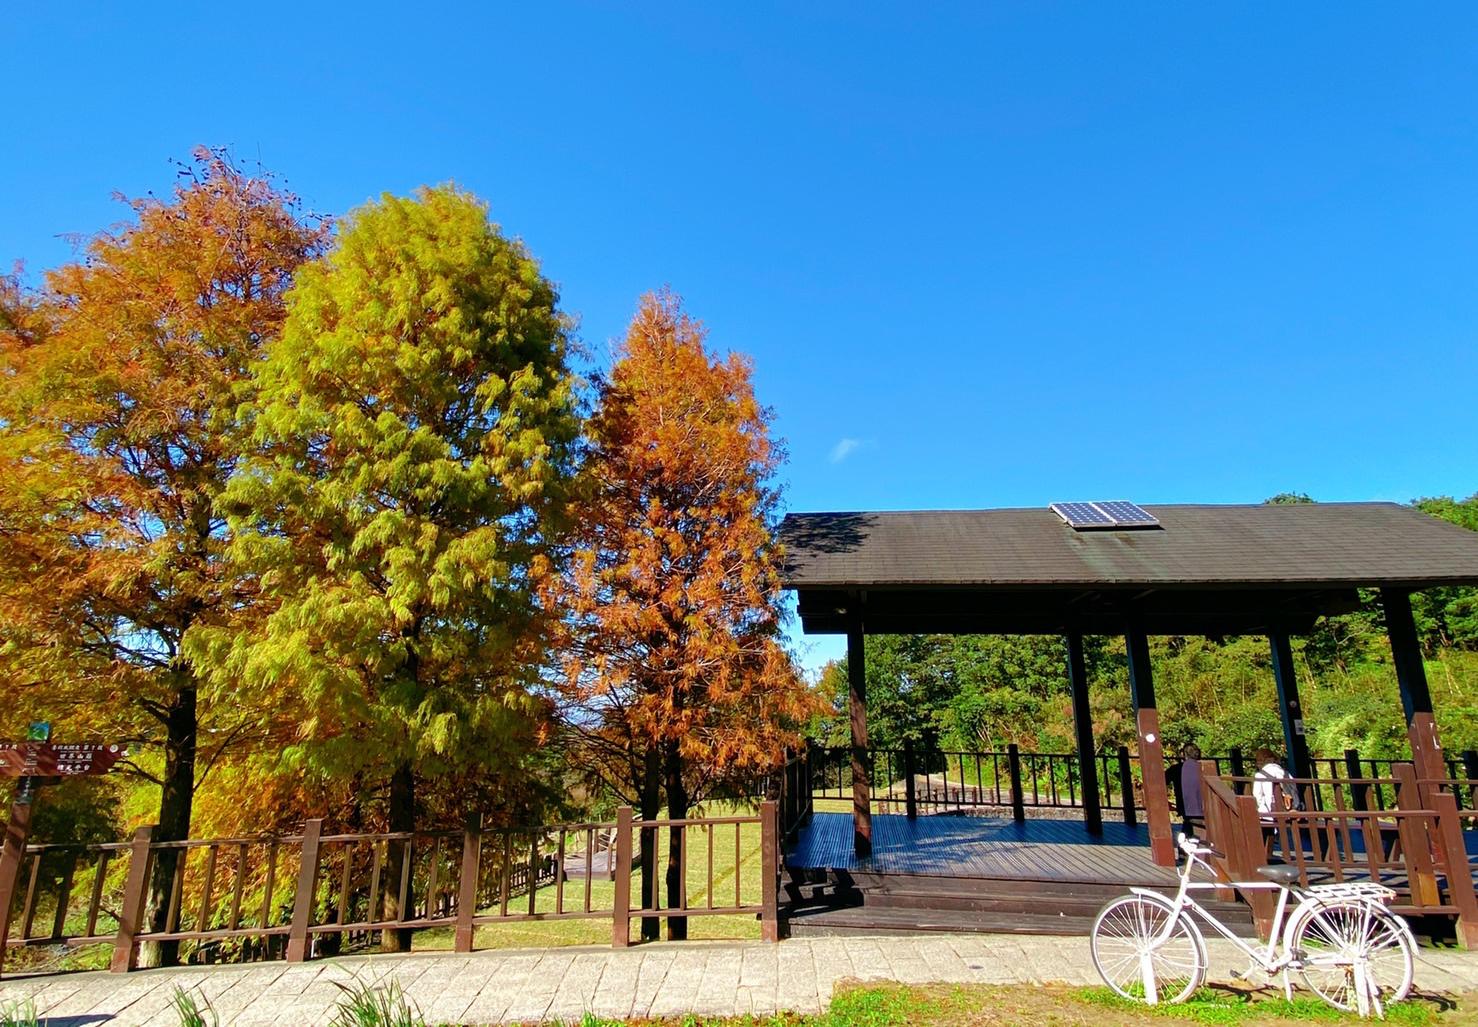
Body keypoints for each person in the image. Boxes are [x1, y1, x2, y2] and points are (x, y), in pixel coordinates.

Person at [1253, 747, 1300, 813]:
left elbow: (1257, 797)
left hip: (1270, 814)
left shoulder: (1259, 775)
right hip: (1290, 810)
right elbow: (1294, 789)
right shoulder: (1286, 773)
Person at [1179, 743, 1204, 833]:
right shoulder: (1200, 766)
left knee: (1188, 828)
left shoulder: (1184, 767)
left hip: (1188, 807)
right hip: (1200, 807)